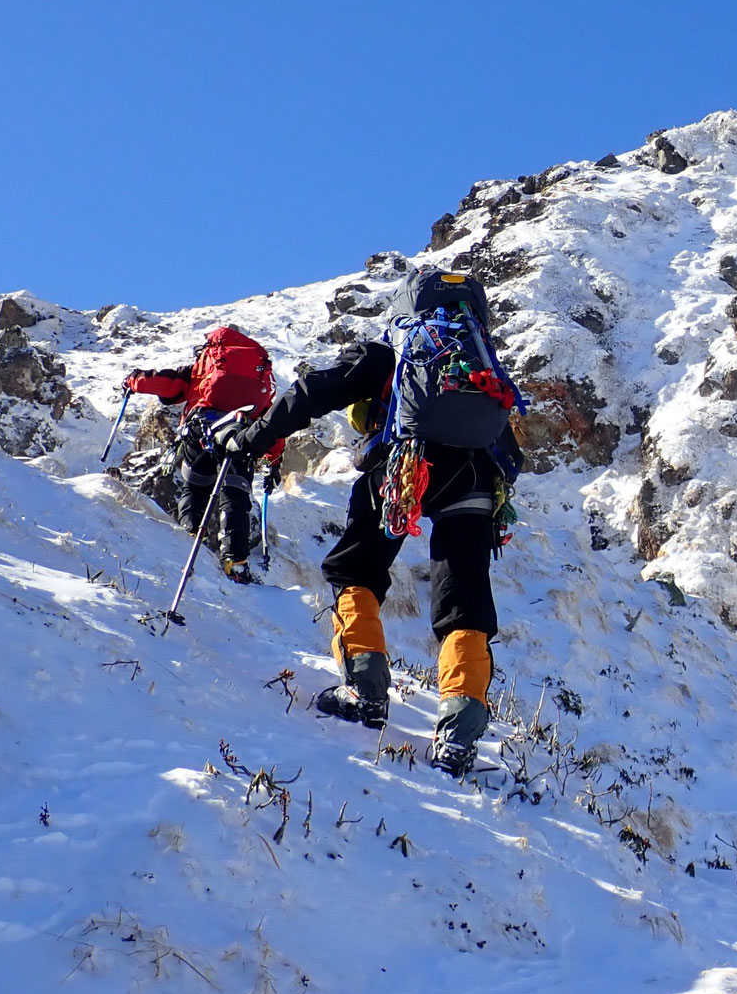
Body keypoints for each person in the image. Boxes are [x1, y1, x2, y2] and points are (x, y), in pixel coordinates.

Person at [224, 268, 524, 776]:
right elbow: (508, 450)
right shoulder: (477, 359)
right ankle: (459, 735)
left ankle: (364, 689)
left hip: (403, 469)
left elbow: (311, 394)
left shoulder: (393, 350)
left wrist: (253, 438)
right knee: (465, 601)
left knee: (356, 571)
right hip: (474, 480)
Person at [124, 326, 285, 584]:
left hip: (201, 431)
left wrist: (132, 382)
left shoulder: (205, 366)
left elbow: (167, 383)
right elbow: (268, 423)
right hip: (240, 436)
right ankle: (236, 561)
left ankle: (188, 538)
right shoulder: (259, 373)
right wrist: (275, 458)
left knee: (195, 487)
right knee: (234, 492)